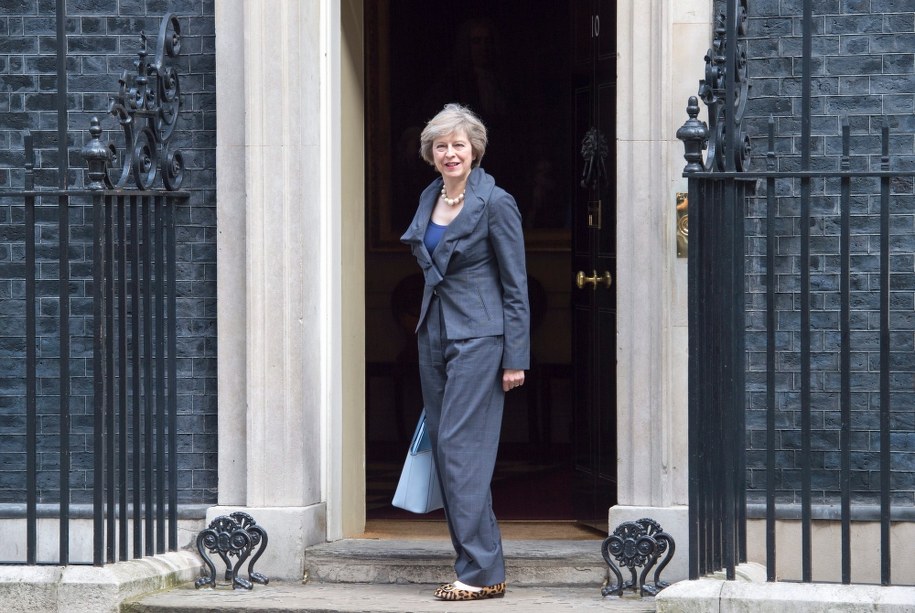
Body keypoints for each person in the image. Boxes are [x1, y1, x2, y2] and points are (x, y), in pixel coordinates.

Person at [400, 103, 530, 601]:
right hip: (433, 334)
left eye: (458, 144)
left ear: (474, 149)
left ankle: (479, 571)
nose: (450, 153)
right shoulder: (430, 195)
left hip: (480, 338)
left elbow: (515, 285)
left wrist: (515, 356)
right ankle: (479, 566)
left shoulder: (496, 202)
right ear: (430, 154)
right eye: (440, 146)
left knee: (461, 450)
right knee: (446, 448)